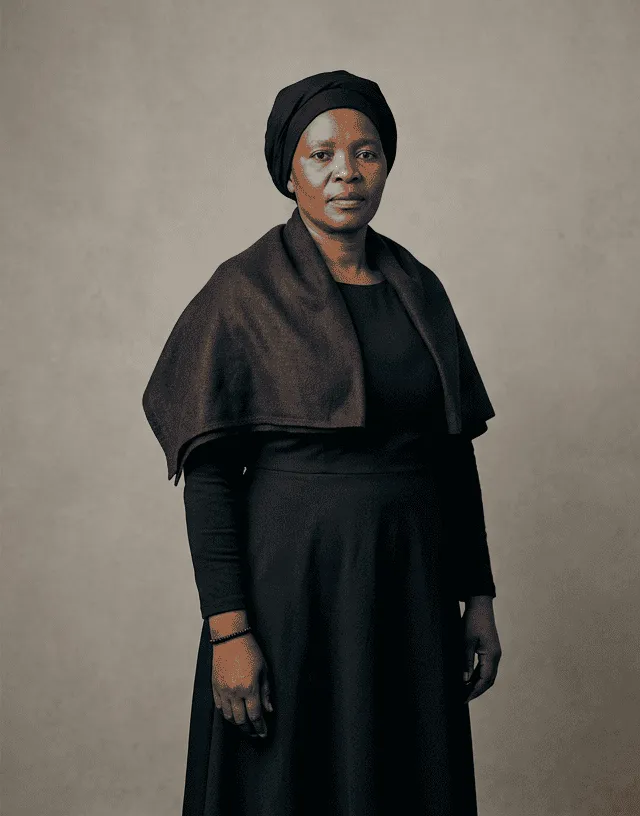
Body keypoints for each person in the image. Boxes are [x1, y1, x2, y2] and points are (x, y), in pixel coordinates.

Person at [143, 70, 502, 815]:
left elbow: (452, 453)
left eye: (367, 153)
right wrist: (228, 632)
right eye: (322, 155)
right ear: (288, 171)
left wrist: (479, 598)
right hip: (289, 595)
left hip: (409, 589)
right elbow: (208, 478)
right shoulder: (241, 292)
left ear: (387, 165)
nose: (347, 172)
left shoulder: (420, 288)